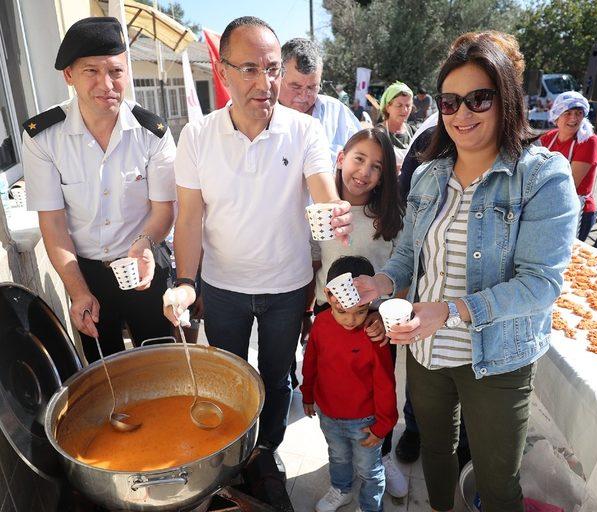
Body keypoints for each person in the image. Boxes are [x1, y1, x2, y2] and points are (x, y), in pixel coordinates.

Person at [354, 37, 579, 512]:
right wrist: (382, 284)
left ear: (506, 98)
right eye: (450, 102)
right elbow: (410, 253)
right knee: (436, 452)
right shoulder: (431, 174)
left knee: (498, 483)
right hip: (425, 349)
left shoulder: (542, 176)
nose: (462, 114)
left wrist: (452, 311)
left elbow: (541, 284)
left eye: (479, 98)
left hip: (497, 360)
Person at [164, 17, 353, 452]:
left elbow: (323, 191)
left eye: (272, 69)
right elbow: (189, 218)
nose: (264, 82)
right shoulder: (196, 136)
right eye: (249, 69)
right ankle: (234, 454)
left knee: (277, 377)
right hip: (223, 286)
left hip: (287, 287)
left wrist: (334, 211)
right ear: (223, 70)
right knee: (228, 379)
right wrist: (186, 284)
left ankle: (267, 455)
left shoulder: (305, 129)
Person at [22, 17, 176, 363]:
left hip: (145, 264)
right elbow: (54, 224)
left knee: (162, 366)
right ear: (69, 76)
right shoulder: (43, 136)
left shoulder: (152, 132)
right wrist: (78, 291)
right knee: (104, 373)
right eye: (91, 71)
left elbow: (164, 210)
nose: (106, 84)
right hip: (86, 272)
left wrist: (145, 244)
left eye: (116, 72)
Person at [309, 127, 408, 497]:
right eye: (359, 159)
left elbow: (404, 270)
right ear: (340, 159)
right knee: (337, 387)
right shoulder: (319, 209)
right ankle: (341, 469)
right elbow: (315, 261)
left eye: (377, 167)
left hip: (375, 319)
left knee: (377, 391)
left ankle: (381, 456)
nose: (365, 172)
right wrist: (311, 314)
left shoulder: (390, 217)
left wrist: (385, 315)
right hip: (328, 313)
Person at [302, 256, 398, 512]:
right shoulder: (321, 324)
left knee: (369, 469)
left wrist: (383, 425)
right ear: (328, 295)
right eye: (342, 311)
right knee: (338, 456)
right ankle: (341, 489)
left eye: (361, 311)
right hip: (328, 414)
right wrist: (307, 394)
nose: (351, 320)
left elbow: (386, 383)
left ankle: (369, 506)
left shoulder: (374, 334)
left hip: (365, 421)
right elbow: (310, 361)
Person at [279, 38, 361, 164]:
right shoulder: (259, 118)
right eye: (295, 87)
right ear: (277, 78)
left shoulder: (337, 113)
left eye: (312, 87)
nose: (304, 95)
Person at [540, 91, 597, 242]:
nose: (573, 118)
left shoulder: (588, 141)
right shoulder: (549, 137)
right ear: (556, 117)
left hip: (575, 209)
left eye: (578, 113)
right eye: (567, 113)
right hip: (548, 206)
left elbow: (570, 184)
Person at [377, 82, 415, 170]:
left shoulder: (413, 131)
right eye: (399, 105)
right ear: (388, 107)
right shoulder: (379, 133)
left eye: (408, 106)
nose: (404, 110)